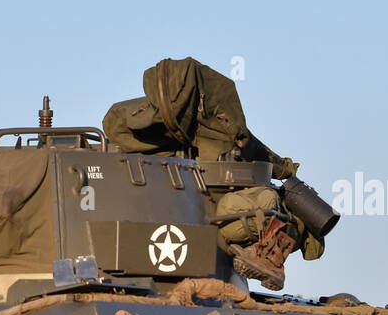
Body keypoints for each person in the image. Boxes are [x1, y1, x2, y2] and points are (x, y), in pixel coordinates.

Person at [103, 57, 314, 289]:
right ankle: (265, 248)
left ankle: (268, 252)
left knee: (261, 201)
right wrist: (284, 168)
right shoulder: (167, 119)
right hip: (200, 213)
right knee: (260, 201)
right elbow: (250, 145)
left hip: (215, 221)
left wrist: (285, 169)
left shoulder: (159, 118)